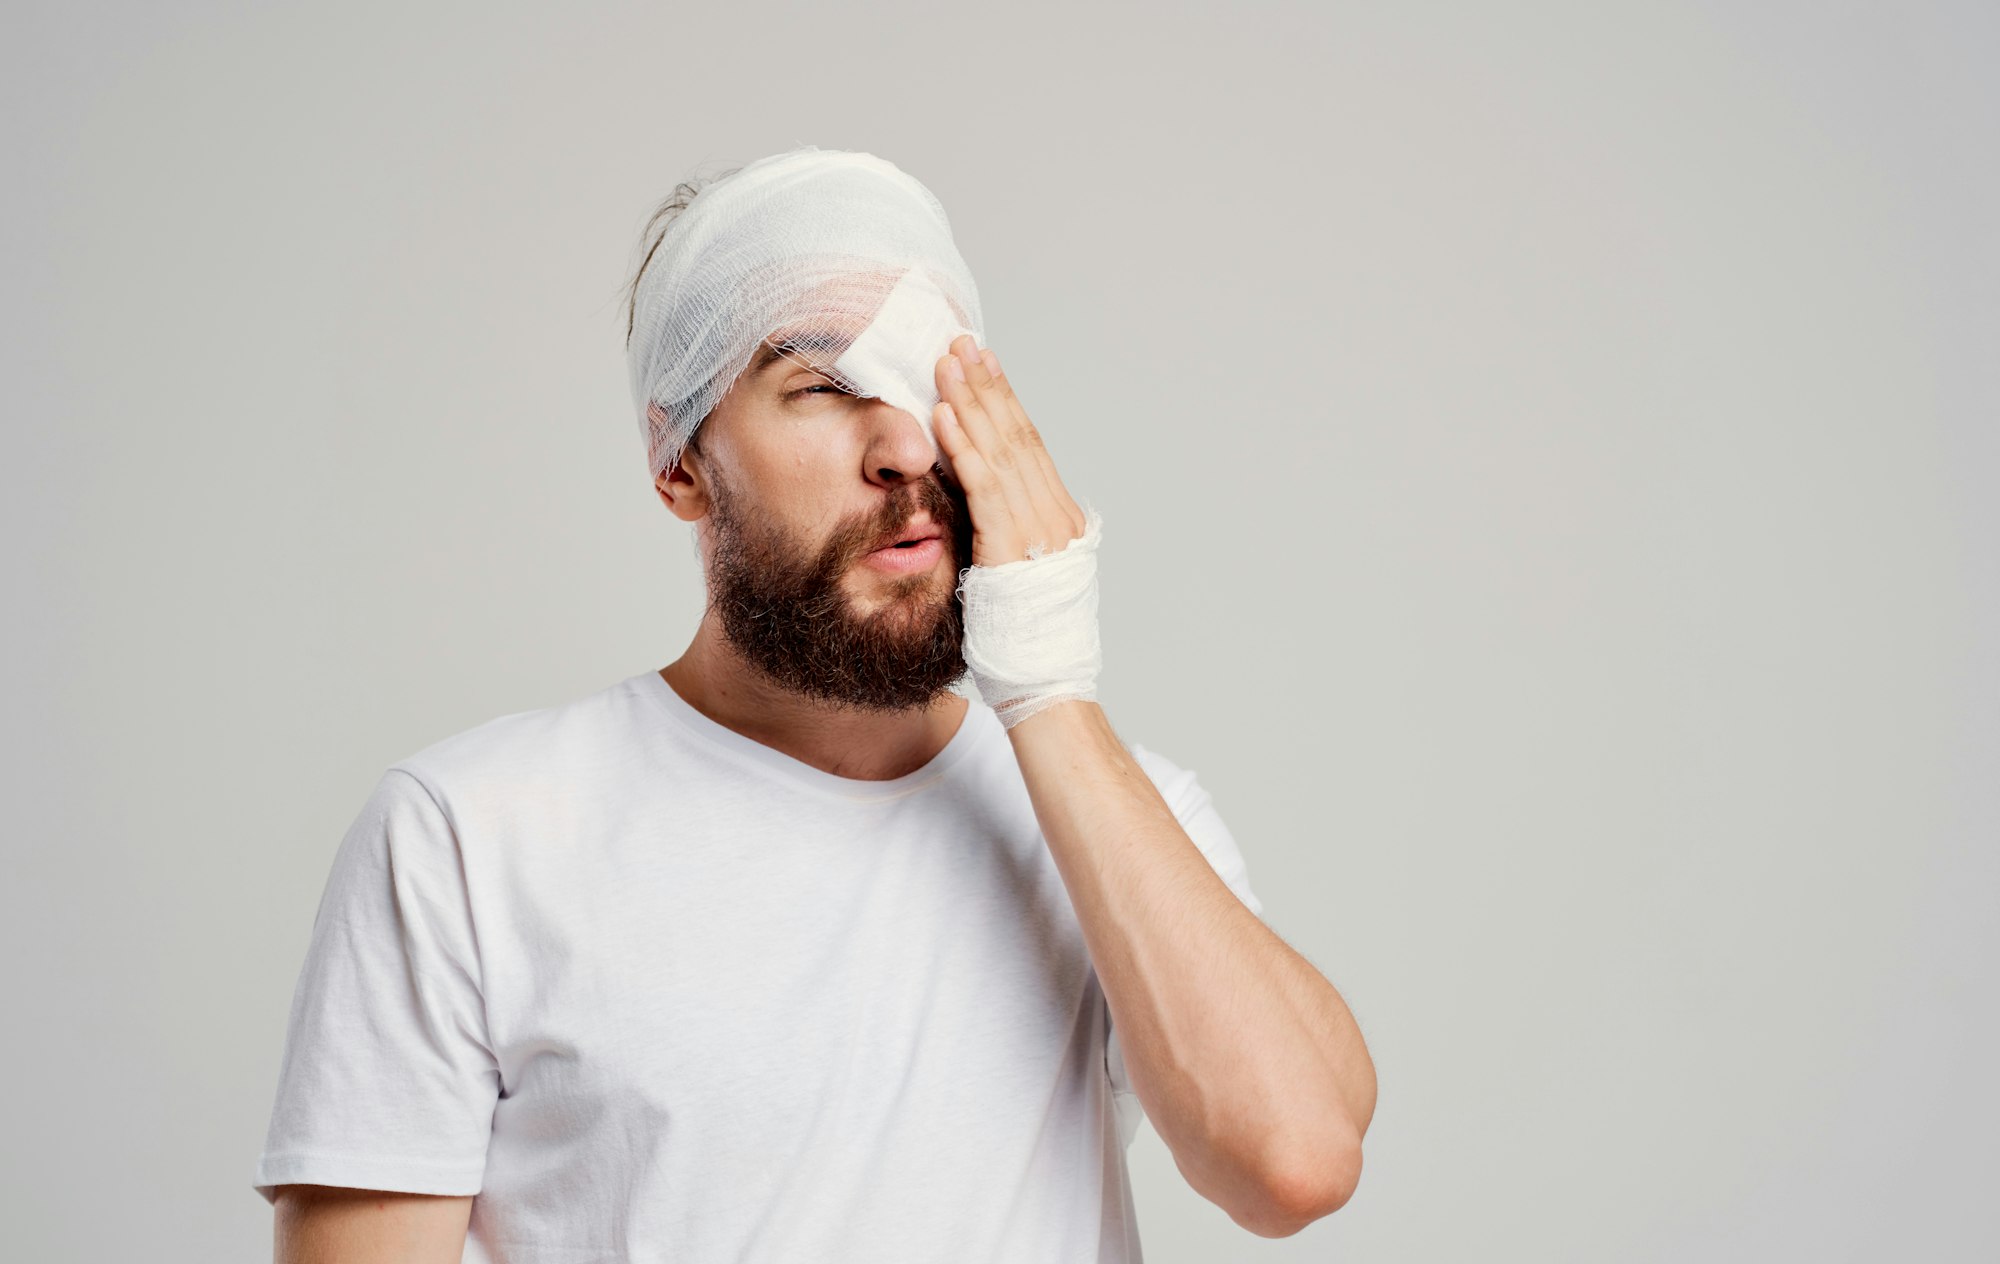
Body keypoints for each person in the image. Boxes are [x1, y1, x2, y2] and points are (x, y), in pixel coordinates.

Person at [253, 148, 1375, 1262]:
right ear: (679, 463)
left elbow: (1292, 1162)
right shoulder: (469, 836)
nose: (901, 447)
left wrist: (1046, 693)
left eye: (933, 382)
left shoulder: (1108, 814)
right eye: (825, 387)